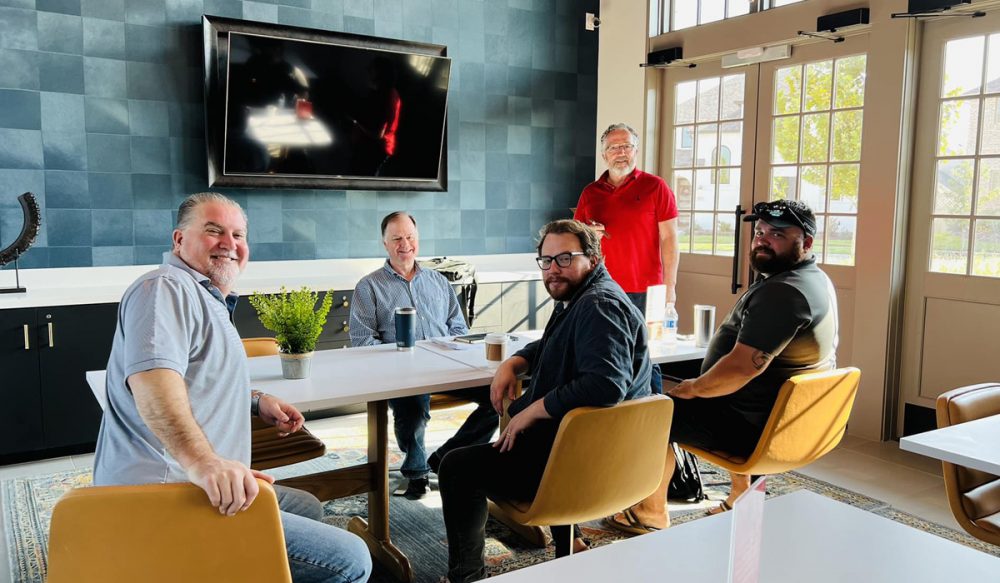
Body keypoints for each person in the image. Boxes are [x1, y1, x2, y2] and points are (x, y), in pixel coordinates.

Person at [93, 192, 372, 583]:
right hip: (159, 497)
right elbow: (155, 387)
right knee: (350, 559)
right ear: (178, 240)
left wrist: (257, 401)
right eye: (213, 231)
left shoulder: (206, 297)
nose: (229, 243)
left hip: (193, 485)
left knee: (305, 505)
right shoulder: (164, 288)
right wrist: (206, 464)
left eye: (238, 234)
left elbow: (197, 379)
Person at [605, 199, 838, 534]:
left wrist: (693, 388)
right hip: (776, 416)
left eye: (777, 234)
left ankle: (648, 513)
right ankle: (740, 494)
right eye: (759, 231)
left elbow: (742, 369)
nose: (761, 239)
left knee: (651, 413)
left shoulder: (785, 293)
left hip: (751, 427)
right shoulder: (812, 279)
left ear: (807, 243)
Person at [437, 219, 652, 583]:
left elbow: (605, 385)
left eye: (565, 258)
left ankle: (467, 576)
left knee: (456, 467)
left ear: (594, 258)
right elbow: (554, 342)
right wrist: (515, 361)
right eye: (546, 260)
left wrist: (533, 411)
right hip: (600, 456)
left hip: (575, 466)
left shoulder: (598, 306)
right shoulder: (580, 297)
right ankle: (574, 538)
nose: (553, 270)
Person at [350, 211, 499, 499]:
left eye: (410, 237)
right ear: (385, 244)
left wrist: (453, 344)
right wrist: (396, 356)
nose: (405, 244)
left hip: (449, 366)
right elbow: (361, 340)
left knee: (500, 396)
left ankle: (447, 456)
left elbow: (458, 326)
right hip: (402, 372)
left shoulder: (438, 281)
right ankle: (416, 473)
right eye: (397, 238)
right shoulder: (368, 286)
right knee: (414, 407)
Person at [574, 122, 679, 393]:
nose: (621, 152)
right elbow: (577, 245)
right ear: (604, 155)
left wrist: (670, 288)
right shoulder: (590, 193)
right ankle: (617, 419)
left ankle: (654, 423)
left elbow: (670, 240)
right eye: (613, 147)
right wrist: (590, 236)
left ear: (636, 150)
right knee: (606, 356)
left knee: (649, 359)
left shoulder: (656, 187)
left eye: (626, 146)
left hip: (650, 292)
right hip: (602, 290)